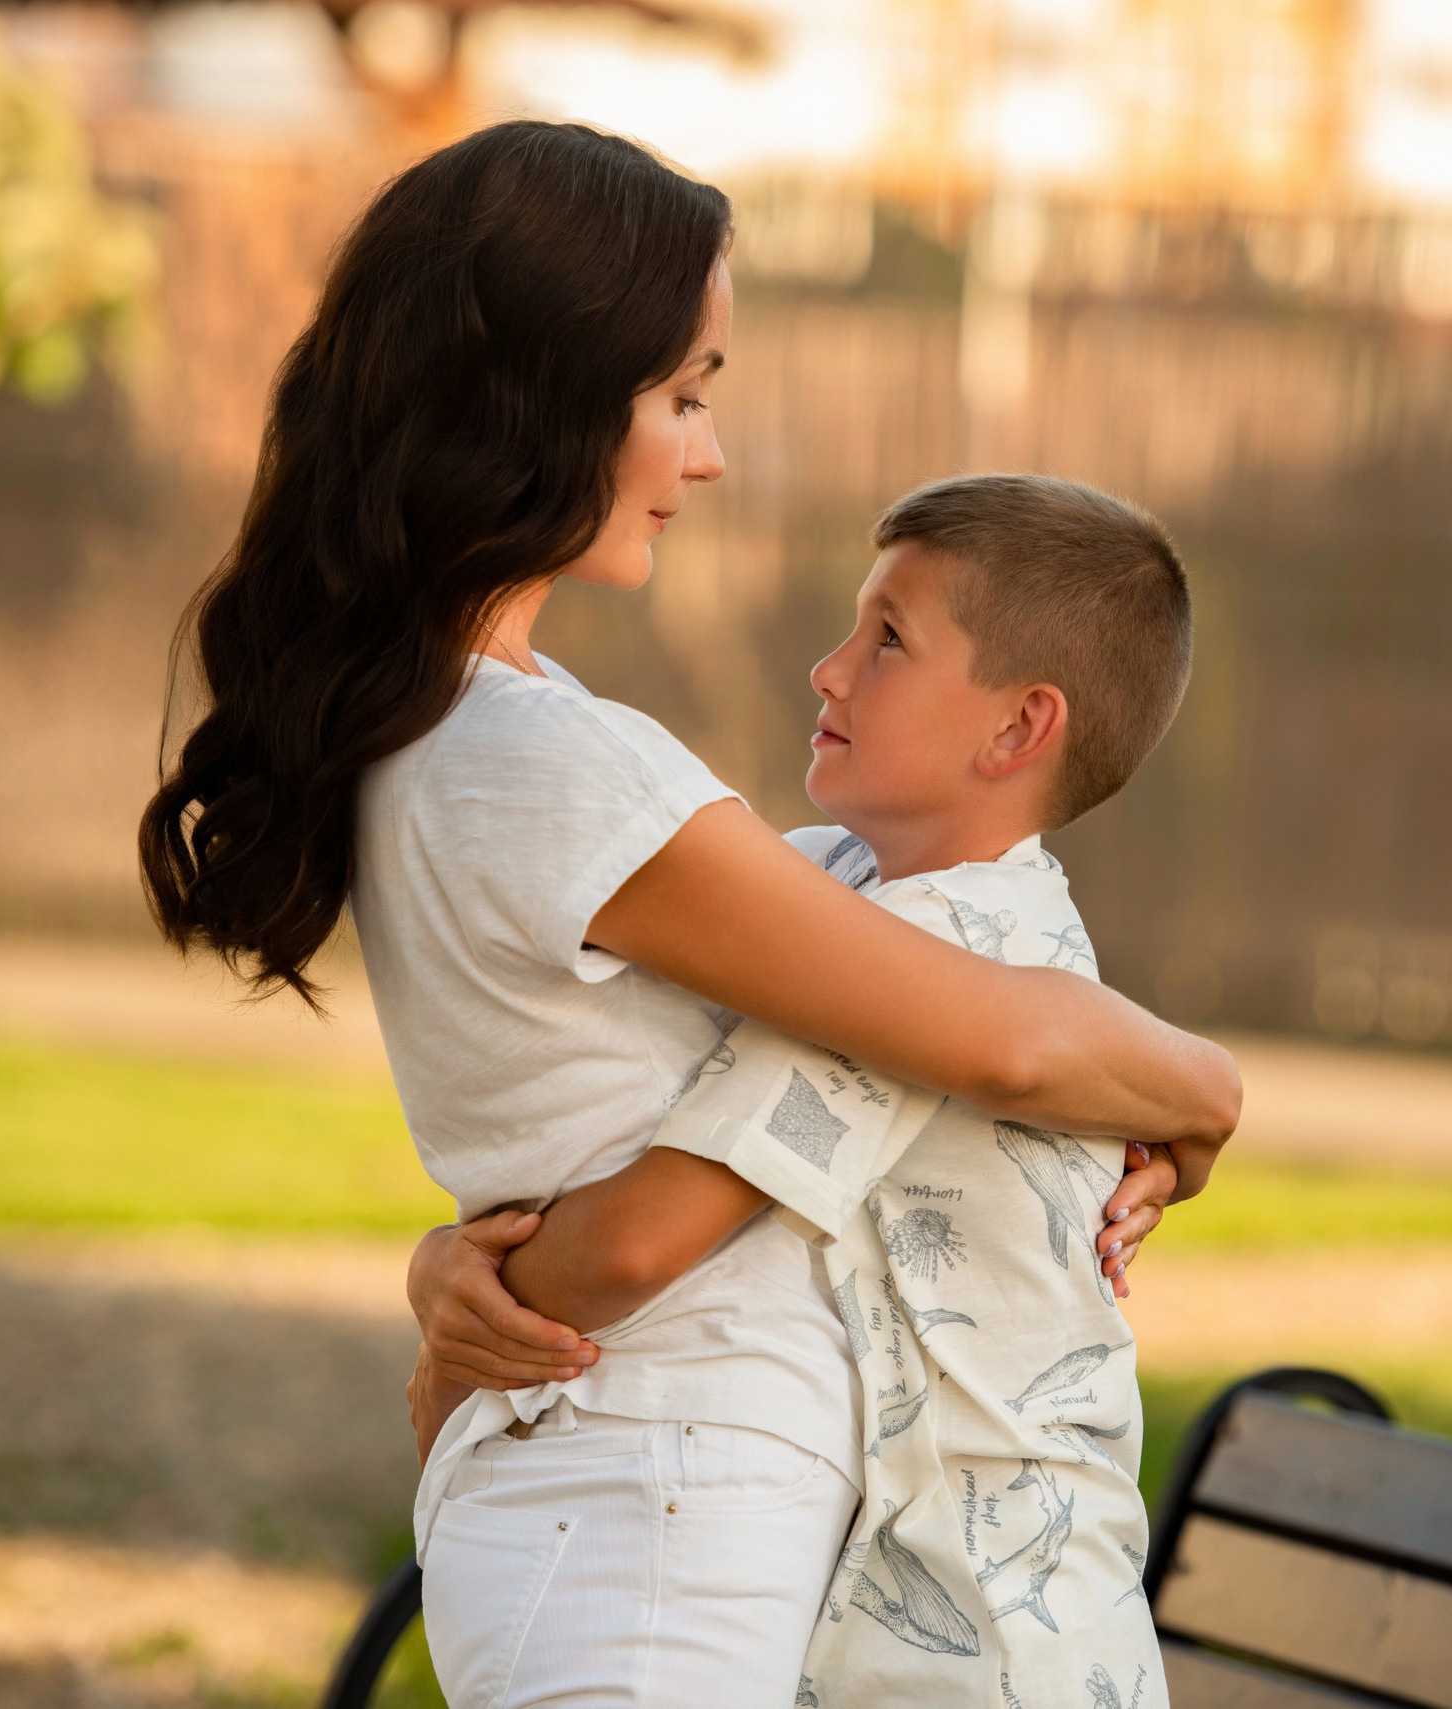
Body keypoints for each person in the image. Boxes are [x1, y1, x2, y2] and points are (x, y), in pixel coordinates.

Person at [136, 122, 1239, 1708]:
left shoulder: (475, 731)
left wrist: (450, 1282)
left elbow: (597, 1123)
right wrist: (1211, 1095)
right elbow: (986, 1032)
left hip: (640, 1500)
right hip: (652, 1510)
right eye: (685, 396)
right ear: (543, 399)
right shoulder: (551, 764)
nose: (707, 456)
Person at [607, 472, 1191, 1706]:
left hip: (986, 1640)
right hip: (965, 1610)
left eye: (886, 640)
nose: (827, 669)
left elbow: (643, 1240)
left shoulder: (930, 961)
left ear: (1018, 728)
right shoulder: (863, 884)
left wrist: (457, 1296)